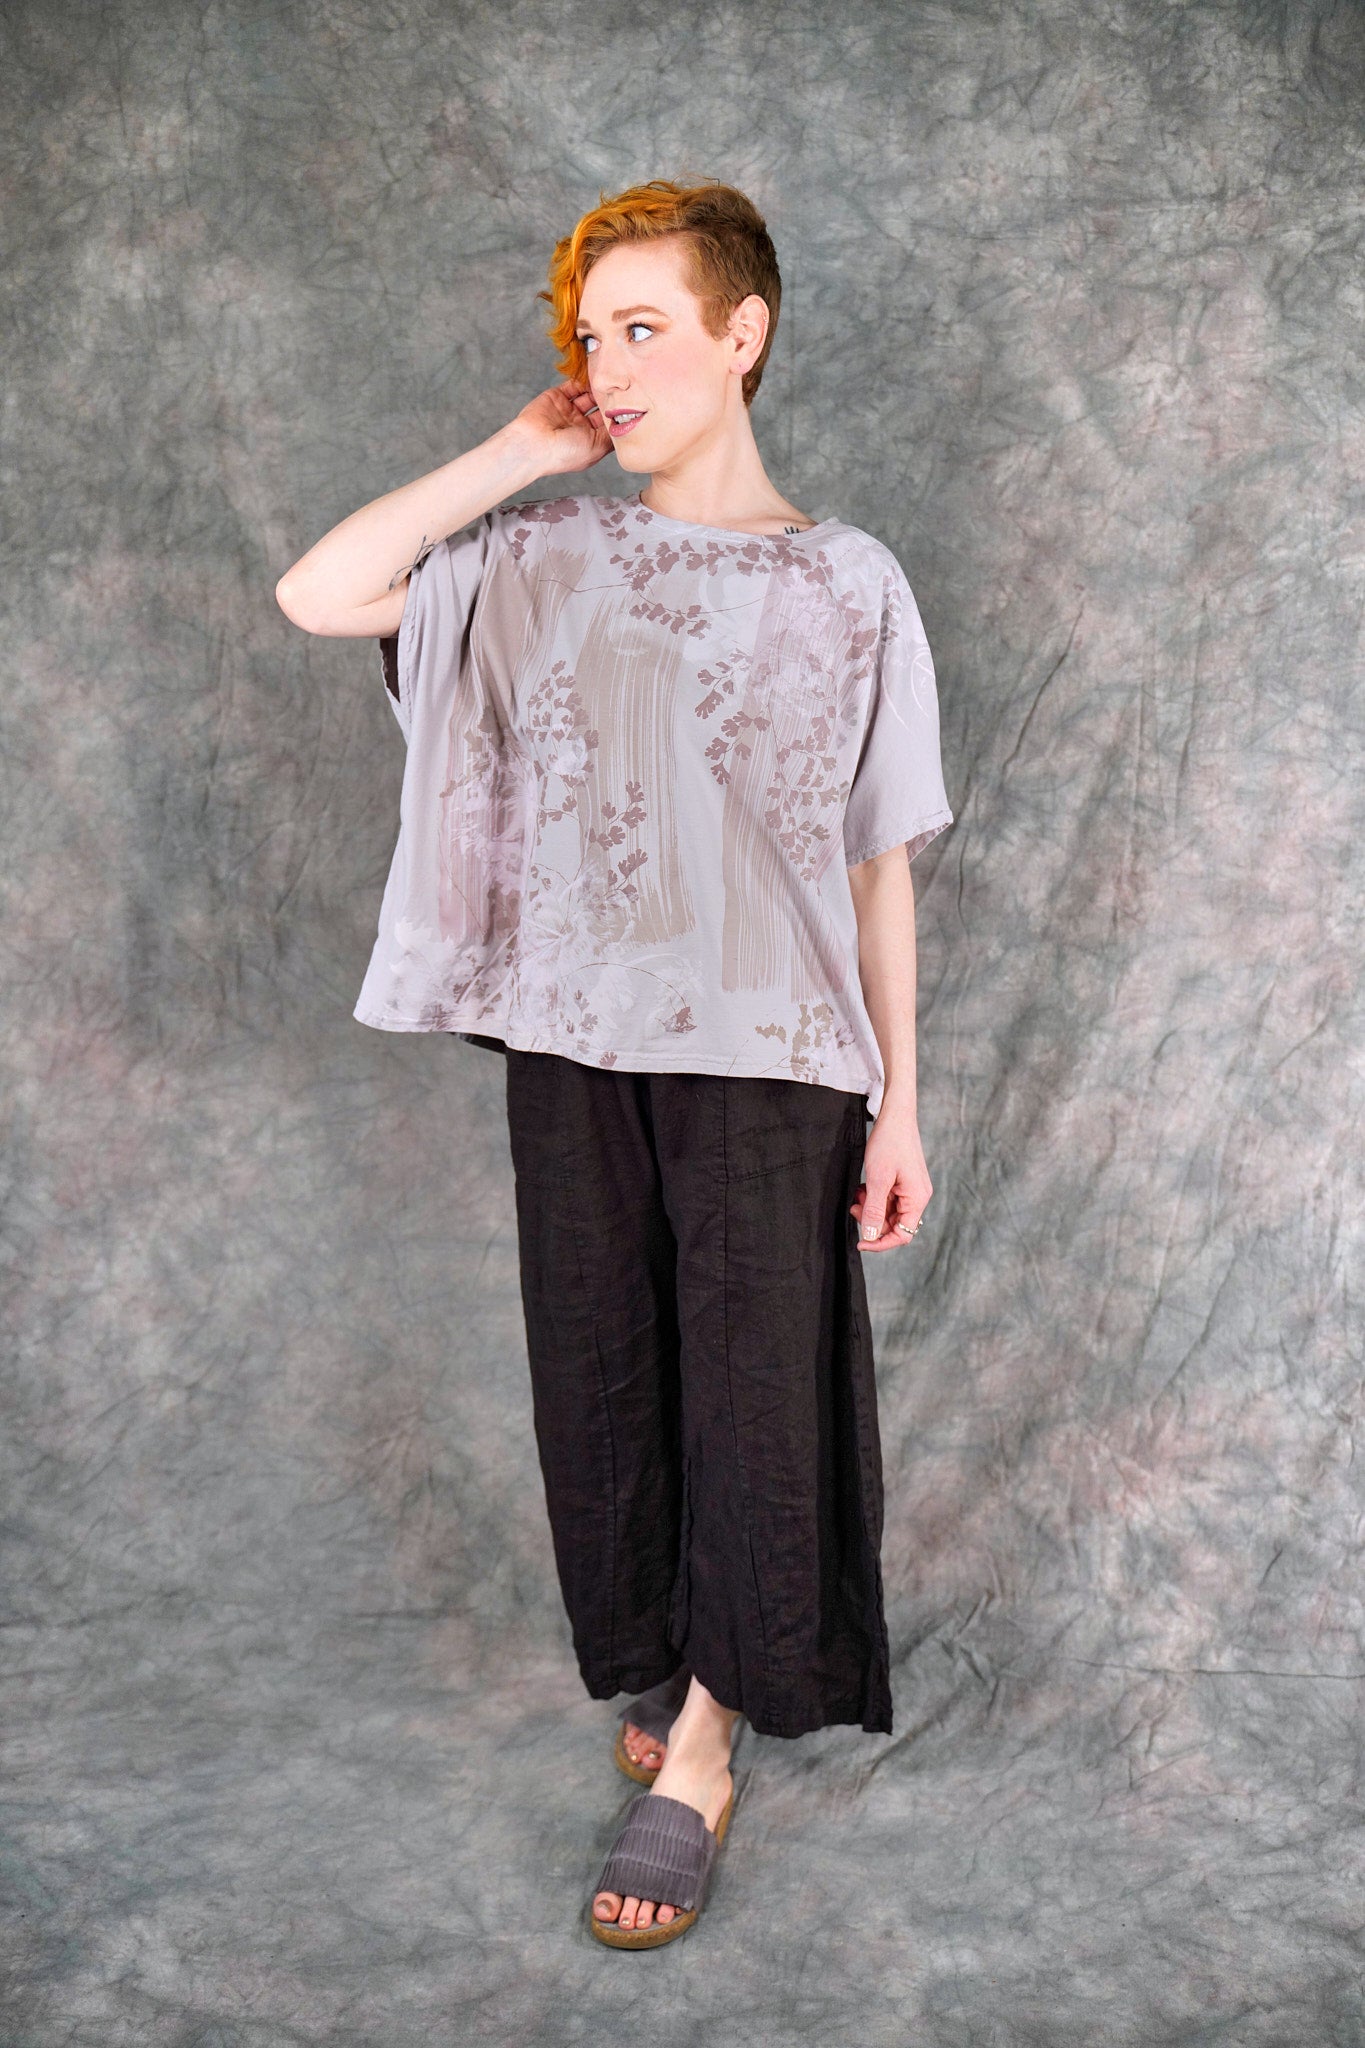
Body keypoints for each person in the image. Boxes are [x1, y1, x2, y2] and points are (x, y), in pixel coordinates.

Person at [275, 176, 954, 1948]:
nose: (613, 365)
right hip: (574, 1039)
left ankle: (708, 1747)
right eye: (591, 335)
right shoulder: (541, 555)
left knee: (752, 1395)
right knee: (602, 1378)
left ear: (745, 333)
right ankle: (668, 1657)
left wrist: (901, 1101)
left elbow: (875, 864)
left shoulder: (848, 582)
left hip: (771, 1055)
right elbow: (321, 591)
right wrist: (527, 444)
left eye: (646, 328)